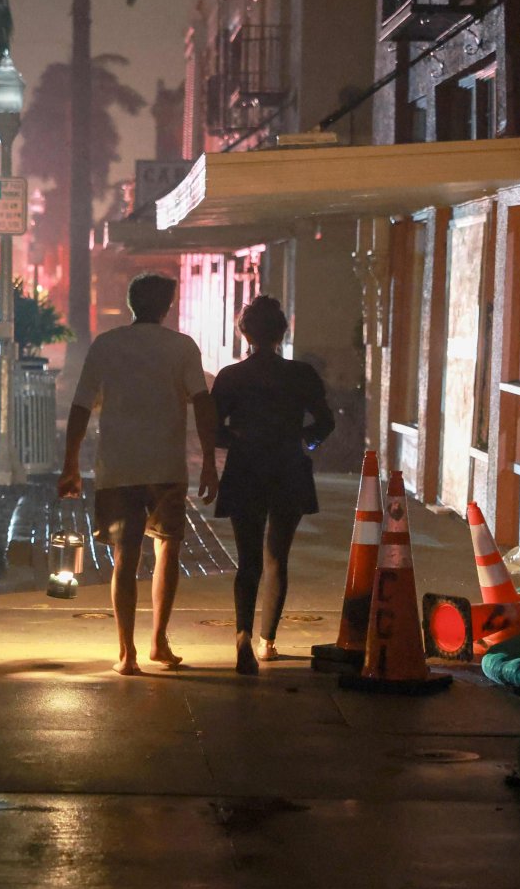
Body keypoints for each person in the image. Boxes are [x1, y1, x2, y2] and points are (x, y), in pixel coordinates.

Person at [58, 273, 219, 675]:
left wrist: (70, 465)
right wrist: (211, 462)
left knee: (124, 558)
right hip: (166, 467)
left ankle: (126, 653)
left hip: (118, 467)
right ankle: (159, 642)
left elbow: (80, 407)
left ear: (132, 304)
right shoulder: (182, 347)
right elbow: (202, 403)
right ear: (166, 307)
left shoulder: (107, 345)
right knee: (168, 550)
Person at [210, 295, 335, 674]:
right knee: (277, 558)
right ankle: (268, 641)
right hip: (287, 468)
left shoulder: (231, 377)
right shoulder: (301, 374)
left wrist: (241, 441)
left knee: (247, 560)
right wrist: (302, 440)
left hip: (246, 468)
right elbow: (325, 422)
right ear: (283, 331)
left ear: (245, 333)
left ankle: (242, 636)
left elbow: (214, 430)